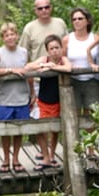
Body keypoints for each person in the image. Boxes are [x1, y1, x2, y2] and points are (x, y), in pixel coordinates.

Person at [0, 22, 34, 173]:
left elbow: (29, 72)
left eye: (12, 34)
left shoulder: (24, 52)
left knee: (19, 130)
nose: (10, 37)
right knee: (5, 130)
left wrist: (32, 93)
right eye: (7, 35)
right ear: (3, 38)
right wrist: (10, 70)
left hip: (22, 96)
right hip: (6, 98)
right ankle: (6, 159)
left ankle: (16, 159)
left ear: (17, 35)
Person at [26, 34, 72, 169]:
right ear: (47, 50)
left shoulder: (63, 60)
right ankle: (45, 157)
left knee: (55, 130)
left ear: (62, 48)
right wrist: (44, 64)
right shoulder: (44, 59)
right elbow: (28, 67)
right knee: (41, 130)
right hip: (44, 100)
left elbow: (68, 68)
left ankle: (52, 156)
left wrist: (52, 67)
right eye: (51, 48)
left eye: (57, 47)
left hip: (59, 101)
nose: (55, 51)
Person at [19, 0, 67, 119]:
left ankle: (58, 139)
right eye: (40, 8)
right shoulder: (29, 28)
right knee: (38, 115)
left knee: (62, 113)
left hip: (60, 76)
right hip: (38, 79)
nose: (44, 10)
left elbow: (66, 46)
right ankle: (38, 138)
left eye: (46, 7)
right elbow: (23, 53)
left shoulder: (60, 23)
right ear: (35, 10)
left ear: (51, 8)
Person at [62, 7, 99, 117]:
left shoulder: (96, 38)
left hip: (92, 80)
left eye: (80, 18)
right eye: (74, 19)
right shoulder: (67, 39)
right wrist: (69, 66)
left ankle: (92, 134)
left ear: (87, 21)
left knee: (92, 114)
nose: (77, 21)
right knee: (74, 113)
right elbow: (63, 58)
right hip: (73, 80)